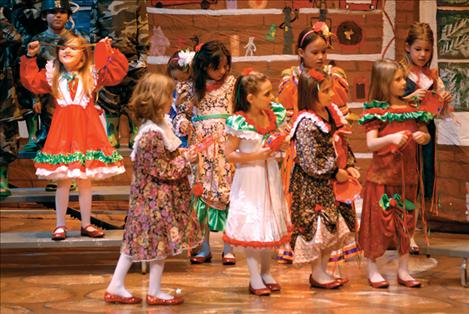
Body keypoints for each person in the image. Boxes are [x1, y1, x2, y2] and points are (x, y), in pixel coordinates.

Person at [105, 72, 201, 306]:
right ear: (158, 99)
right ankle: (130, 287)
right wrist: (187, 161)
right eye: (169, 95)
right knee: (150, 243)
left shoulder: (161, 126)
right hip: (153, 201)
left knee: (157, 244)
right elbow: (161, 169)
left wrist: (186, 154)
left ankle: (140, 287)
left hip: (160, 199)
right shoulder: (151, 134)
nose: (172, 99)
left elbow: (169, 155)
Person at [20, 33, 128, 240]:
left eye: (72, 48)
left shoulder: (92, 74)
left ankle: (86, 223)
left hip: (87, 131)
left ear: (84, 53)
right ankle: (60, 225)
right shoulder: (52, 74)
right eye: (62, 48)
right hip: (63, 133)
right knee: (63, 181)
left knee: (85, 180)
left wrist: (110, 50)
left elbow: (116, 72)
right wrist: (30, 57)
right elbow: (31, 81)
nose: (66, 51)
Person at [358, 59, 432, 289]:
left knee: (405, 225)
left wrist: (424, 137)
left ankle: (403, 269)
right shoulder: (377, 112)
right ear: (384, 82)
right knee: (378, 225)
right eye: (398, 79)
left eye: (403, 78)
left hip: (406, 180)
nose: (403, 83)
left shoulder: (413, 110)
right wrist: (390, 138)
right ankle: (373, 268)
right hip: (382, 180)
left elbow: (424, 132)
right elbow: (371, 144)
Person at [288, 68, 359, 289]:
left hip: (331, 184)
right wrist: (335, 172)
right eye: (326, 90)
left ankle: (324, 270)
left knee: (332, 227)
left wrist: (349, 165)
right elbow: (311, 160)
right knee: (318, 227)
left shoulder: (330, 114)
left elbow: (341, 145)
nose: (331, 94)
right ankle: (317, 273)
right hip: (314, 185)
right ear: (312, 94)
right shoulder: (307, 123)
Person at [223, 70, 291, 296]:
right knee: (252, 225)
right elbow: (229, 154)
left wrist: (280, 144)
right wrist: (256, 156)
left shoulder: (272, 115)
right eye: (266, 94)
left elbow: (275, 144)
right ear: (250, 97)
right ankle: (254, 277)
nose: (271, 98)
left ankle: (266, 271)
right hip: (249, 177)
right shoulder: (239, 121)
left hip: (269, 175)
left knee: (268, 225)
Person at [173, 40, 236, 265]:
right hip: (200, 148)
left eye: (226, 66)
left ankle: (229, 247)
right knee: (201, 194)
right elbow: (180, 114)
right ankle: (204, 246)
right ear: (204, 66)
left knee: (228, 193)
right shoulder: (190, 88)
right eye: (217, 67)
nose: (223, 71)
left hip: (226, 148)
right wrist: (182, 124)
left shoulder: (232, 85)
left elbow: (240, 112)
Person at [400, 22, 452, 255]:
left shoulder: (433, 77)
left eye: (427, 50)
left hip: (426, 135)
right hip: (404, 134)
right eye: (418, 49)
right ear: (408, 48)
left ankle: (411, 233)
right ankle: (400, 231)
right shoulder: (399, 74)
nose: (422, 54)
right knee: (404, 181)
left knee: (421, 181)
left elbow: (440, 114)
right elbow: (385, 104)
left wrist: (444, 102)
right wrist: (409, 97)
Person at [90, 0, 149, 149]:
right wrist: (96, 56)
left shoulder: (137, 1)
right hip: (108, 59)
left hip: (133, 59)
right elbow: (94, 29)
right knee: (109, 99)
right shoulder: (98, 2)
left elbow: (143, 26)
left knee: (135, 98)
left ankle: (135, 134)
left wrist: (143, 55)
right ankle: (112, 135)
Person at [0, 6, 22, 197]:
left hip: (4, 97)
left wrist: (1, 18)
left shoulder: (5, 47)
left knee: (7, 139)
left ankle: (2, 179)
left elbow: (16, 39)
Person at [166, 48, 195, 148]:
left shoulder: (197, 90)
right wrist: (180, 120)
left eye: (185, 79)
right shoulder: (172, 92)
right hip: (181, 133)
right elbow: (171, 115)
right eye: (175, 79)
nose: (180, 83)